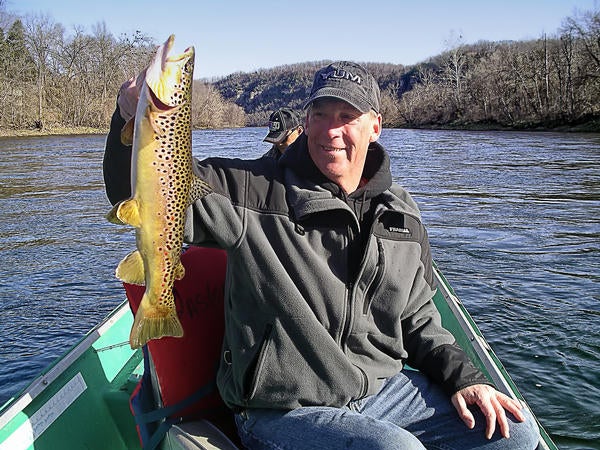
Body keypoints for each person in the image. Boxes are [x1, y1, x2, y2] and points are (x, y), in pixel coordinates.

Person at [104, 61, 540, 450]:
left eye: (347, 117)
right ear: (306, 122)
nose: (332, 130)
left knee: (517, 434)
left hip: (385, 393)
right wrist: (131, 118)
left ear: (375, 127)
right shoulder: (251, 189)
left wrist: (466, 380)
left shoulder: (401, 214)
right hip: (281, 410)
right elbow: (147, 192)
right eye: (320, 115)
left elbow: (419, 319)